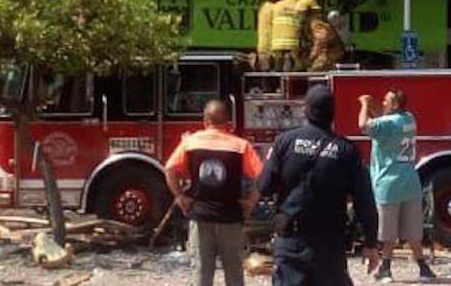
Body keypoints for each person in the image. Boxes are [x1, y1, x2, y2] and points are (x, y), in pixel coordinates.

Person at [258, 85, 381, 285]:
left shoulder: (285, 142)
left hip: (291, 242)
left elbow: (265, 186)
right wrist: (370, 243)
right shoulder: (346, 150)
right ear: (333, 114)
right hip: (329, 245)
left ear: (305, 110)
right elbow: (364, 201)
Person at [164, 100, 264, 286]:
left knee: (202, 273)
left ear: (205, 120)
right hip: (230, 217)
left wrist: (180, 197)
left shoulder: (190, 142)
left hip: (200, 216)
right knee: (234, 273)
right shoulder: (241, 146)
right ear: (228, 122)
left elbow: (169, 170)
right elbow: (261, 176)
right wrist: (250, 202)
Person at [358, 90, 436, 282]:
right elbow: (385, 120)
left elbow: (363, 125)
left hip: (388, 184)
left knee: (388, 233)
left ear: (394, 105)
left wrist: (365, 104)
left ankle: (386, 268)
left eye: (386, 100)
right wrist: (377, 107)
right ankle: (423, 267)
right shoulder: (409, 119)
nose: (383, 102)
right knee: (413, 231)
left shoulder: (387, 124)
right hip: (410, 182)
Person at [270, 0, 306, 72]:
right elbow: (302, 24)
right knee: (290, 68)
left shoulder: (277, 6)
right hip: (293, 43)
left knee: (278, 67)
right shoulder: (300, 7)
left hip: (277, 42)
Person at [255, 0, 287, 71]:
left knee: (265, 75)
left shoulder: (263, 7)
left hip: (262, 46)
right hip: (273, 48)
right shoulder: (277, 8)